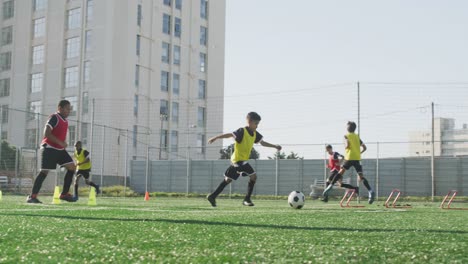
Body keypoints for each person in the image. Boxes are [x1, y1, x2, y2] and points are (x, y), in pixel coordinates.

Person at [206, 112, 281, 207]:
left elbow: (262, 143)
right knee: (253, 176)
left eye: (258, 124)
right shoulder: (242, 131)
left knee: (228, 180)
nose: (257, 126)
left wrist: (275, 146)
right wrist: (215, 138)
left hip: (240, 161)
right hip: (237, 160)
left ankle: (213, 196)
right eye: (256, 123)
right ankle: (247, 199)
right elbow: (230, 135)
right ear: (249, 121)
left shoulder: (254, 134)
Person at [27, 100, 76, 203]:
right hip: (49, 148)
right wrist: (60, 142)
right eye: (67, 109)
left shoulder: (65, 121)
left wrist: (62, 143)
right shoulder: (54, 117)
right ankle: (32, 196)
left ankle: (64, 194)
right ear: (60, 108)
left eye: (69, 109)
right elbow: (47, 133)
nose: (69, 111)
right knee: (44, 171)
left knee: (72, 167)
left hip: (60, 150)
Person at [323, 121, 375, 204]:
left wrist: (346, 145)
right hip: (357, 158)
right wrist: (359, 153)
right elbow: (364, 147)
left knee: (340, 173)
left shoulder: (346, 136)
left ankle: (330, 186)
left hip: (349, 157)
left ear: (347, 128)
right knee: (361, 176)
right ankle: (370, 190)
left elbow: (347, 145)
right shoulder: (357, 136)